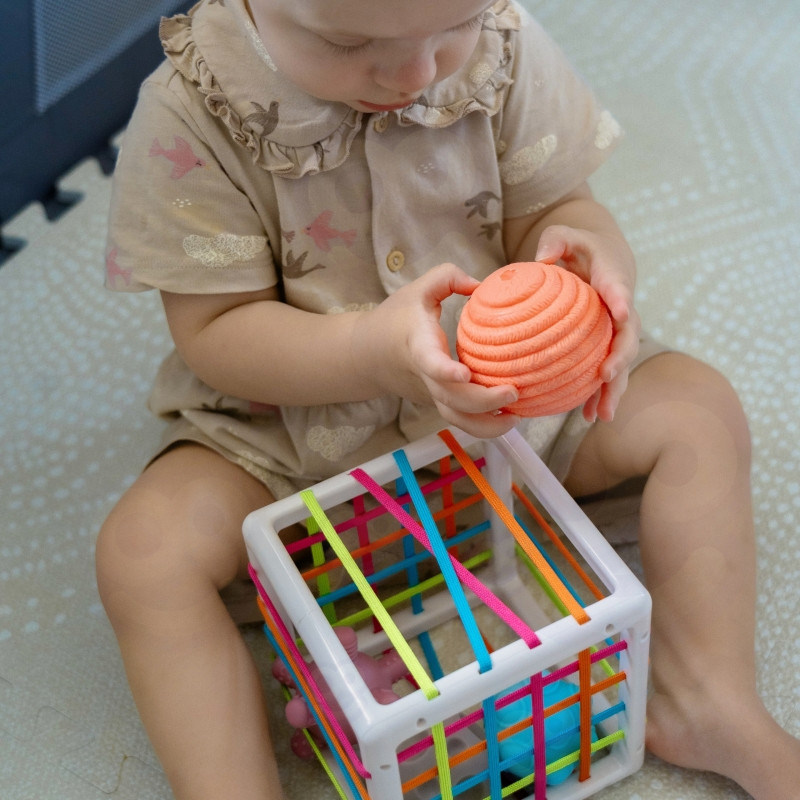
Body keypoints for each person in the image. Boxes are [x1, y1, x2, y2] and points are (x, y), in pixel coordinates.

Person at [95, 0, 800, 798]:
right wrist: (373, 352)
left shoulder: (503, 42)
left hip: (510, 425)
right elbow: (217, 332)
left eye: (452, 27)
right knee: (143, 555)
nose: (415, 73)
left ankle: (706, 693)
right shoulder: (192, 109)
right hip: (292, 447)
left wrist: (592, 261)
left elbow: (560, 211)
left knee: (698, 412)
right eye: (348, 40)